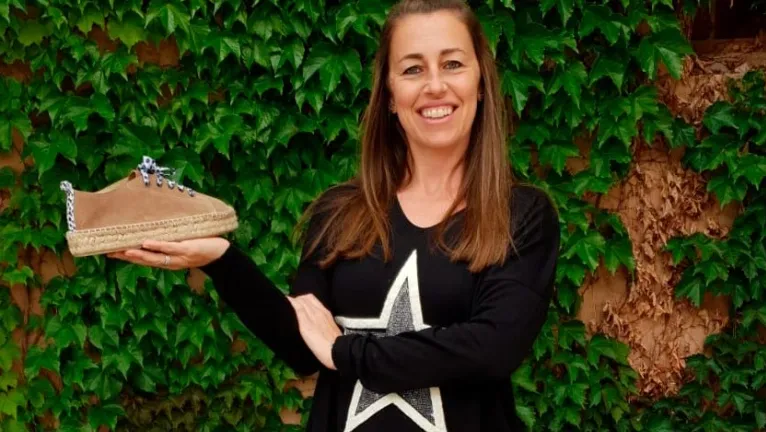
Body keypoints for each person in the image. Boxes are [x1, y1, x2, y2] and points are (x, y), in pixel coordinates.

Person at [109, 0, 560, 430]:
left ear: (480, 83)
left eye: (453, 64)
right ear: (389, 94)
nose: (435, 85)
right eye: (412, 69)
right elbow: (304, 347)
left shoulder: (521, 215)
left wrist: (345, 352)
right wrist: (222, 260)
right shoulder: (341, 212)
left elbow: (493, 347)